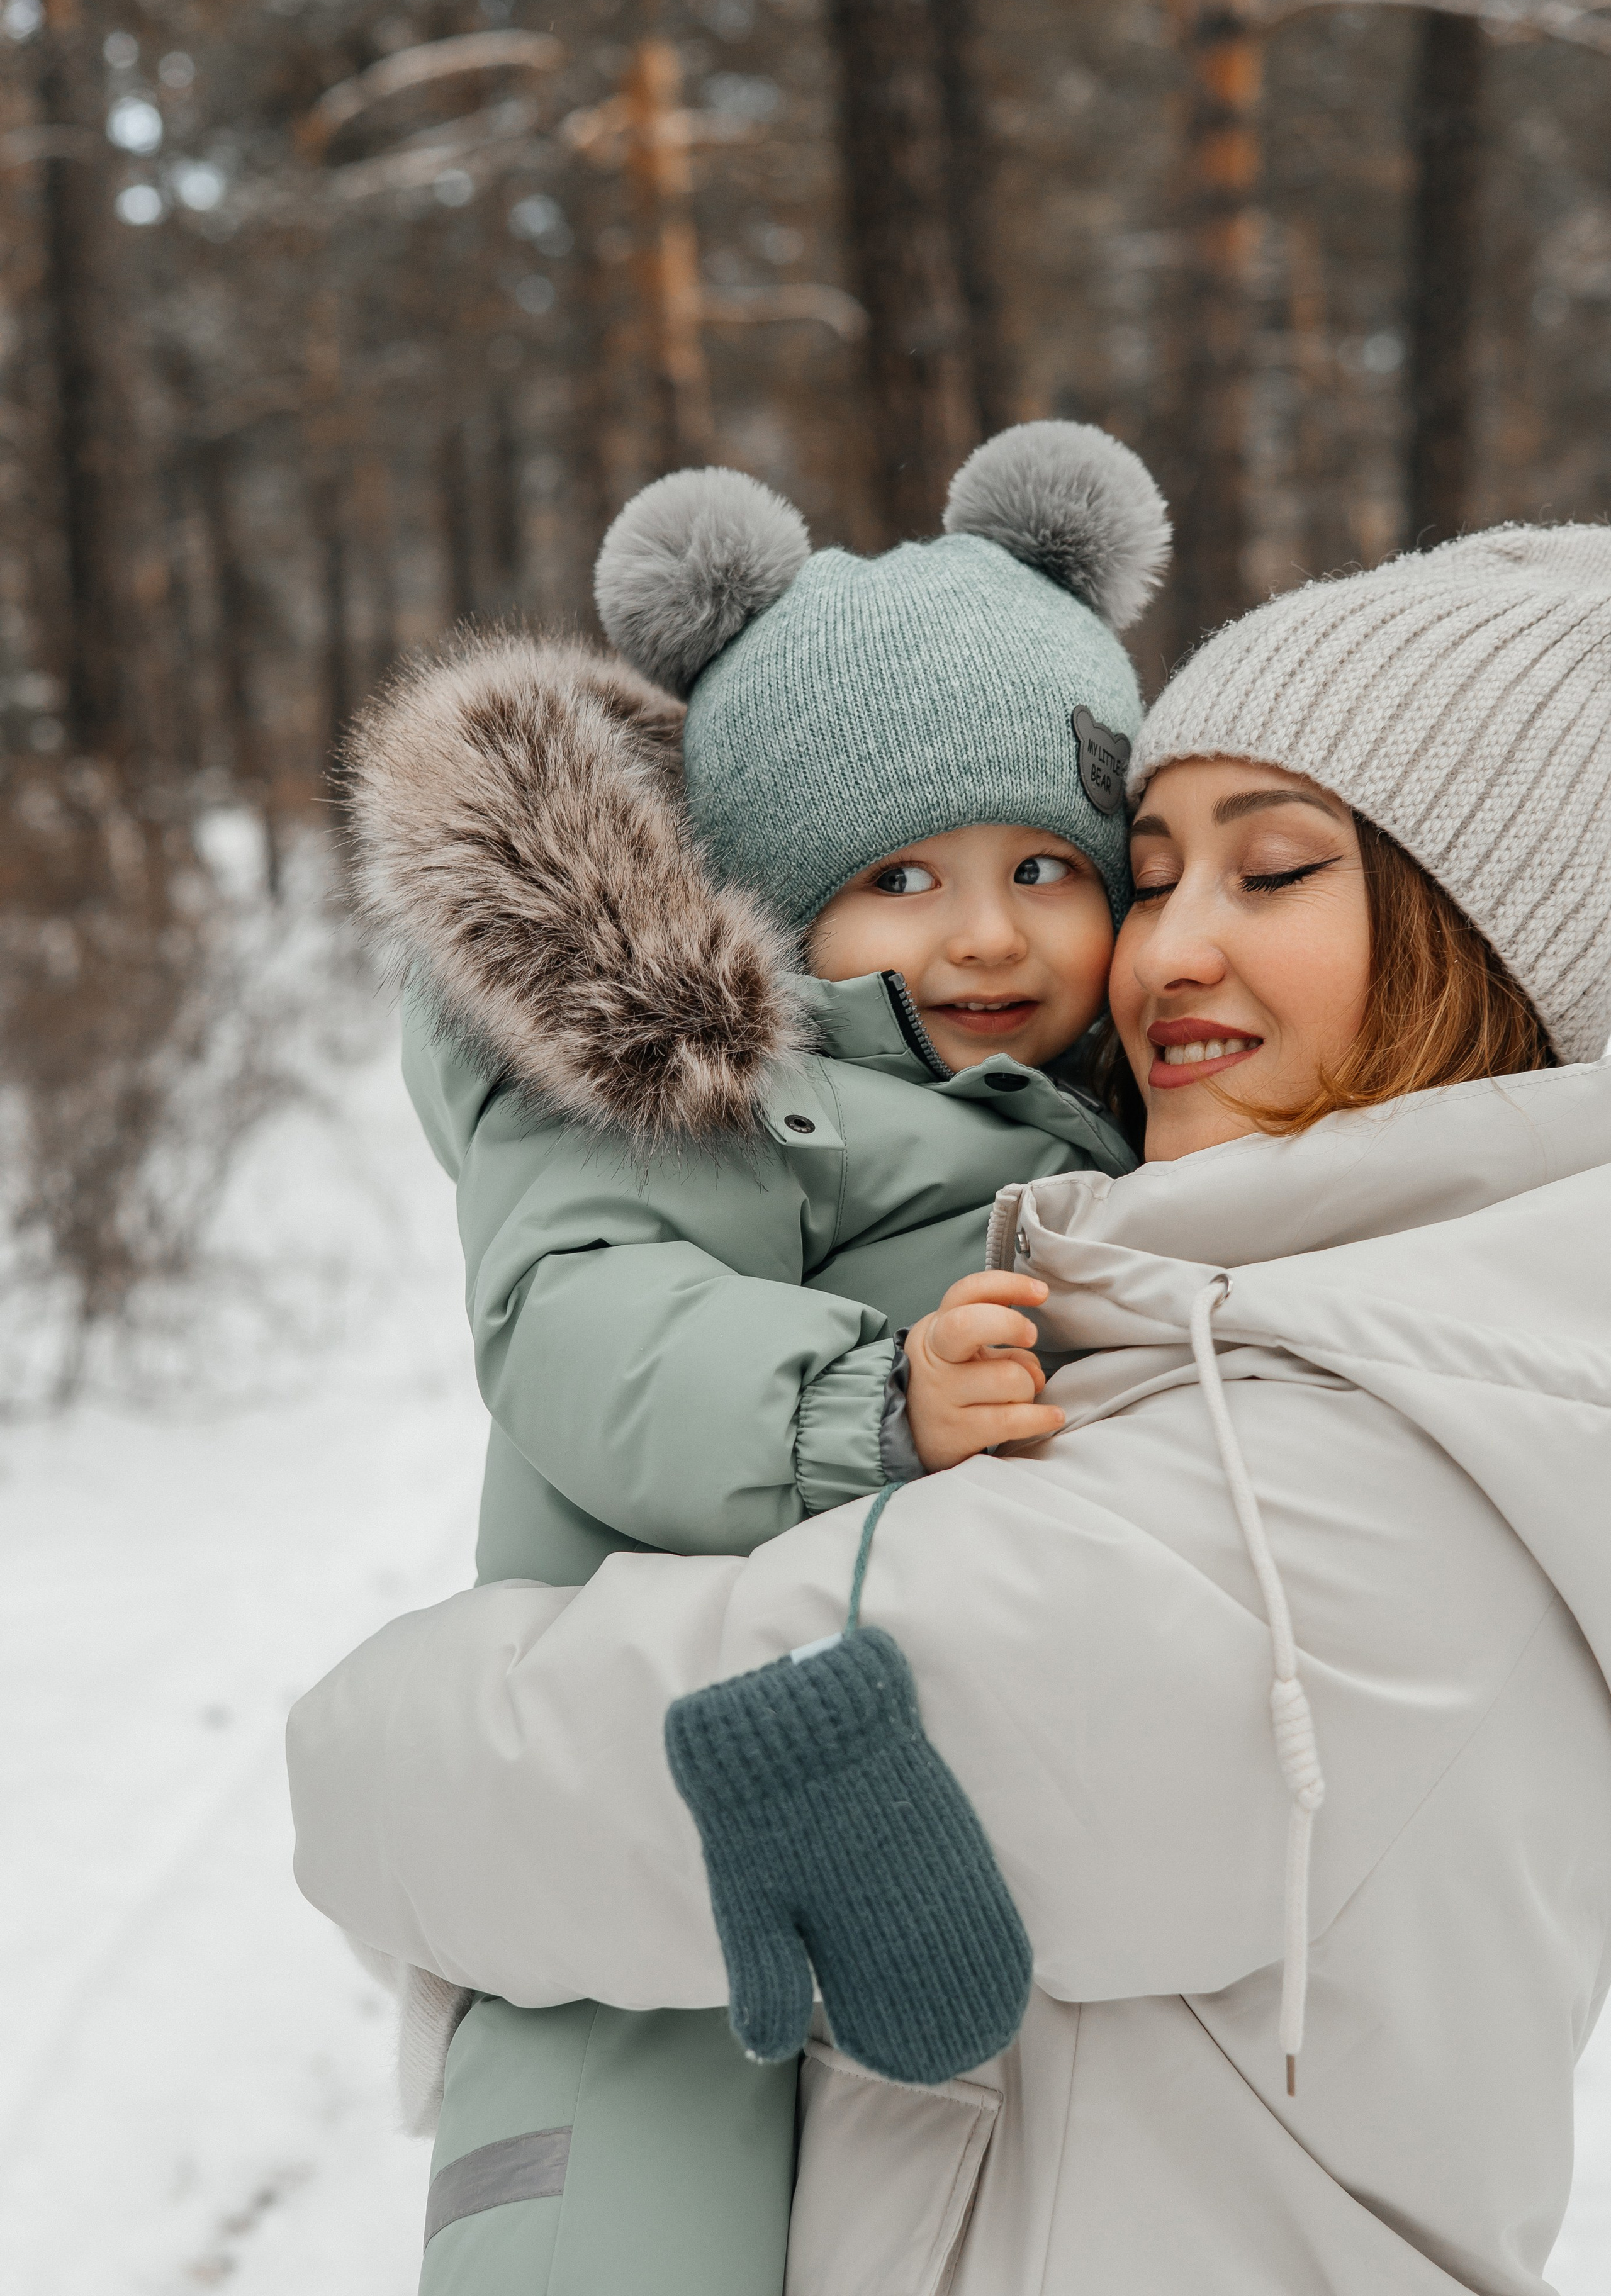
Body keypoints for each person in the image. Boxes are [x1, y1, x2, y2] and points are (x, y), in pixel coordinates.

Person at [293, 522, 1611, 2294]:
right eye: (1155, 875)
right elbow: (586, 1314)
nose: (1160, 957)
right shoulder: (1296, 1304)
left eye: (1274, 871)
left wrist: (405, 1710)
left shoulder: (1359, 1450)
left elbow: (477, 1785)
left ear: (1505, 939)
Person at [341, 418, 1170, 2293]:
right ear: (779, 900)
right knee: (616, 2214)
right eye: (903, 878)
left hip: (891, 1804)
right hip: (629, 1795)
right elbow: (578, 1317)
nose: (987, 934)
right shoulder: (700, 1090)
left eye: (1048, 865)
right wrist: (865, 1398)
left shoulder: (1089, 1108)